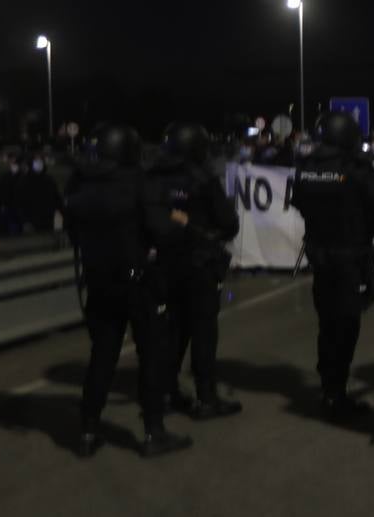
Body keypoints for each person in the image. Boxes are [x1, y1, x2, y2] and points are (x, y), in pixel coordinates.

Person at [64, 123, 191, 457]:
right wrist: (178, 222)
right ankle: (154, 432)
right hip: (139, 284)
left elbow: (73, 231)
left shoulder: (82, 185)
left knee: (102, 356)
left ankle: (88, 429)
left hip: (99, 283)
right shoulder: (139, 183)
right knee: (152, 356)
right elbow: (161, 231)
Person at [291, 111, 374, 421]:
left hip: (320, 256)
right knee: (346, 326)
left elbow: (301, 204)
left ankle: (327, 385)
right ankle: (336, 394)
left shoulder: (306, 167)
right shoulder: (357, 169)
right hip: (350, 258)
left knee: (327, 323)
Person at [149, 122, 243, 419]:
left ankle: (166, 390)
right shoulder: (202, 179)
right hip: (198, 265)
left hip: (163, 264)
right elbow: (228, 223)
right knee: (203, 332)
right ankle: (206, 398)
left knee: (172, 330)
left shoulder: (152, 177)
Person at [15, 154, 64, 233]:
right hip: (31, 219)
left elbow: (56, 198)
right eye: (36, 162)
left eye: (40, 162)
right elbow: (19, 202)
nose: (38, 164)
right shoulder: (23, 181)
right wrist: (24, 221)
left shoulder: (49, 180)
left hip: (47, 217)